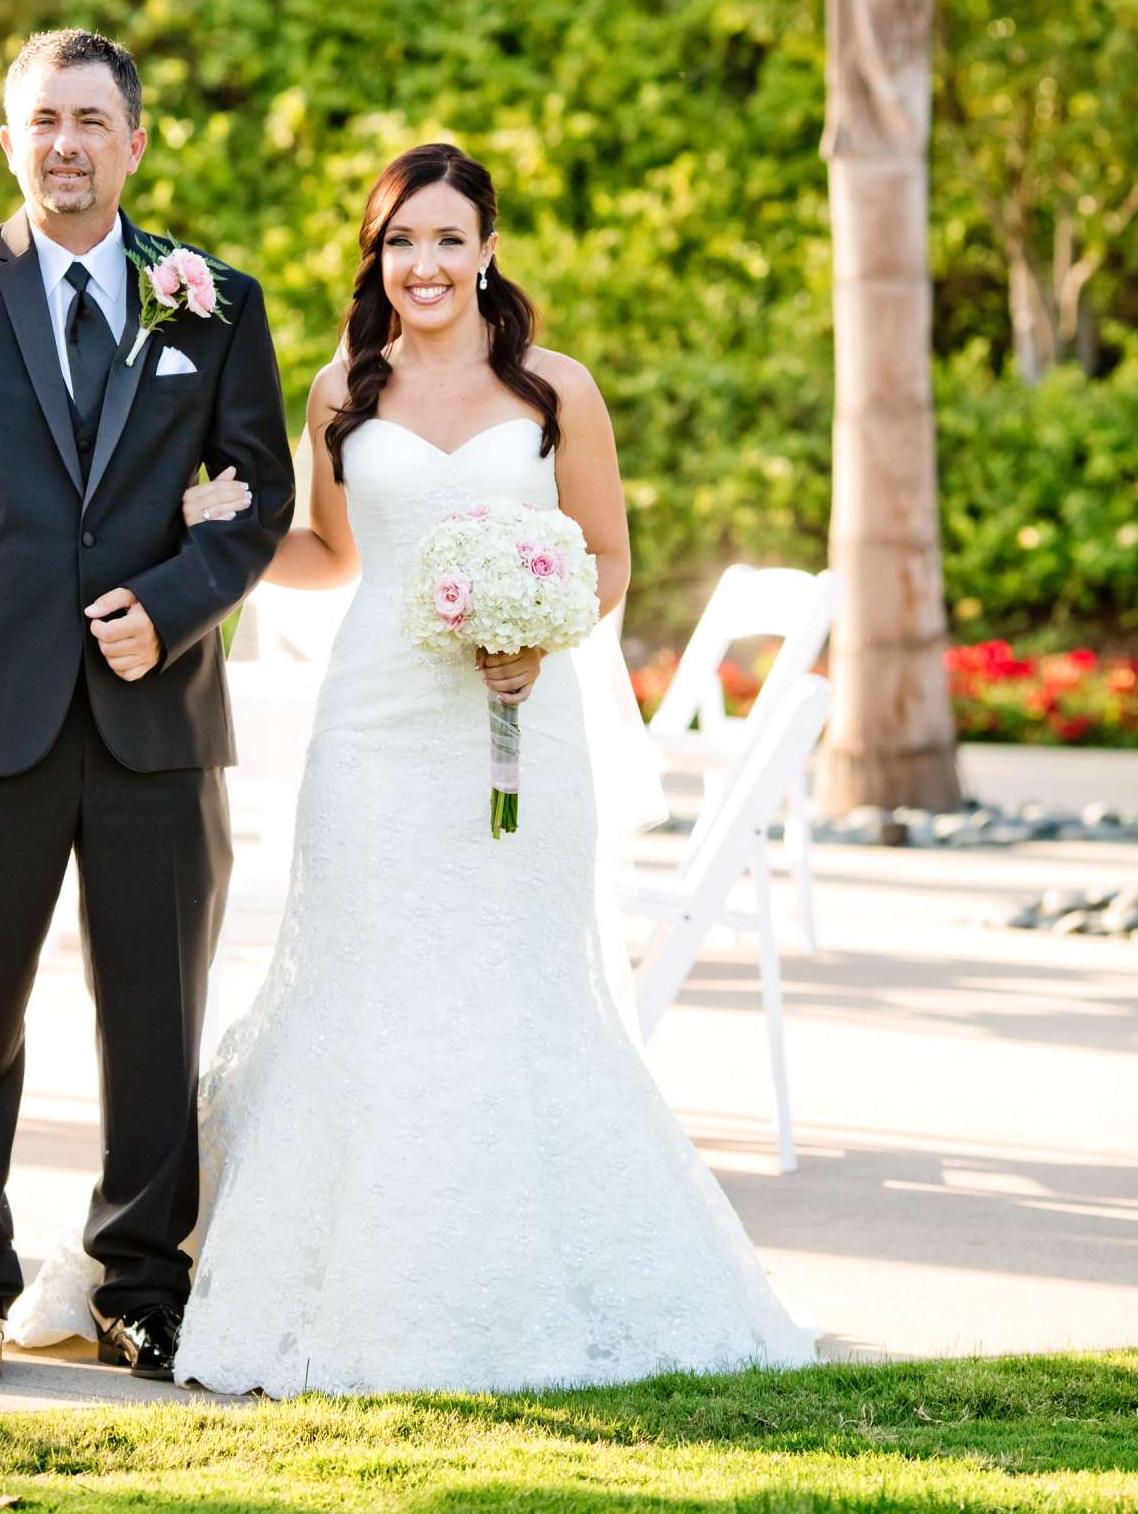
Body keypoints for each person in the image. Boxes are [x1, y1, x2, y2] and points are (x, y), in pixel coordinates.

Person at [171, 140, 815, 1394]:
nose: (423, 263)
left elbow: (608, 555)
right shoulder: (339, 391)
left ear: (488, 250)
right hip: (373, 726)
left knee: (511, 982)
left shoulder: (555, 388)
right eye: (400, 241)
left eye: (447, 239)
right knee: (365, 972)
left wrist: (540, 632)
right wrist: (231, 534)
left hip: (522, 720)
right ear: (378, 255)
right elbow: (331, 554)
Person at [0, 28, 295, 1386]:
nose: (65, 143)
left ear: (135, 141)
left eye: (91, 120)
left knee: (154, 1017)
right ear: (8, 142)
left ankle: (145, 1284)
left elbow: (258, 491)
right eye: (41, 120)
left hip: (157, 721)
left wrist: (173, 605)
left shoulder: (212, 298)